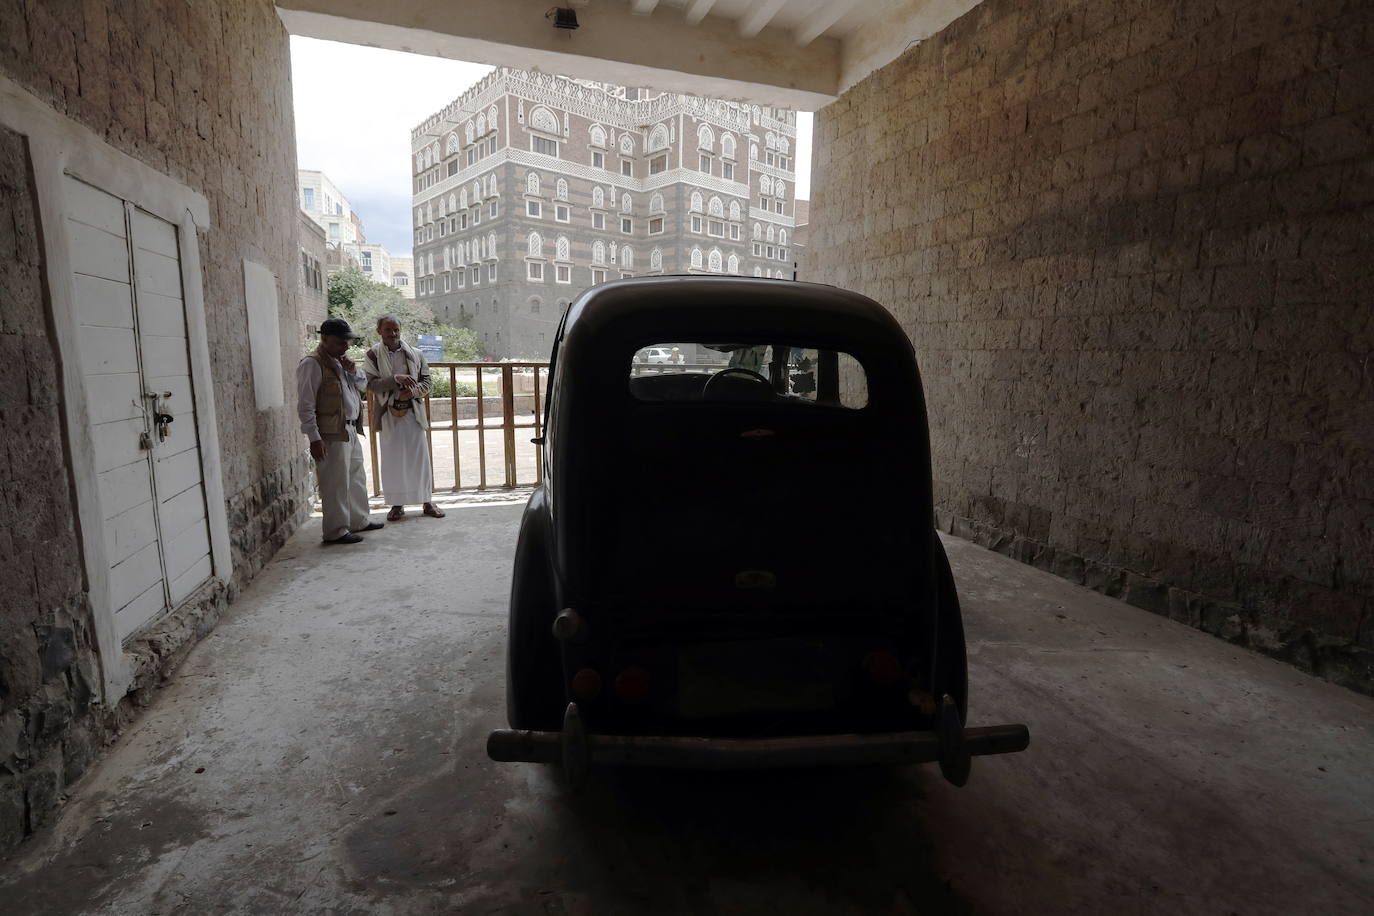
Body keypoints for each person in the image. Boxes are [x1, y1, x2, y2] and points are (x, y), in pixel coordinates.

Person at [297, 317, 383, 545]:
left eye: (347, 342)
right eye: (340, 342)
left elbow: (363, 385)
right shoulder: (312, 364)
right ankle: (336, 530)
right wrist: (314, 439)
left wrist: (353, 371)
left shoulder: (341, 362)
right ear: (324, 339)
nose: (345, 346)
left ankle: (359, 520)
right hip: (330, 434)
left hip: (350, 429)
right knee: (335, 482)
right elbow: (305, 406)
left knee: (355, 476)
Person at [364, 315, 445, 521]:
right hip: (388, 414)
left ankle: (427, 501)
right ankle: (397, 505)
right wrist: (395, 380)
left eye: (396, 330)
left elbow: (427, 382)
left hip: (413, 412)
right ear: (379, 331)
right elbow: (371, 385)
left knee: (419, 458)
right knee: (393, 459)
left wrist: (415, 391)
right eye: (388, 330)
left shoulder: (416, 354)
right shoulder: (373, 355)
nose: (393, 334)